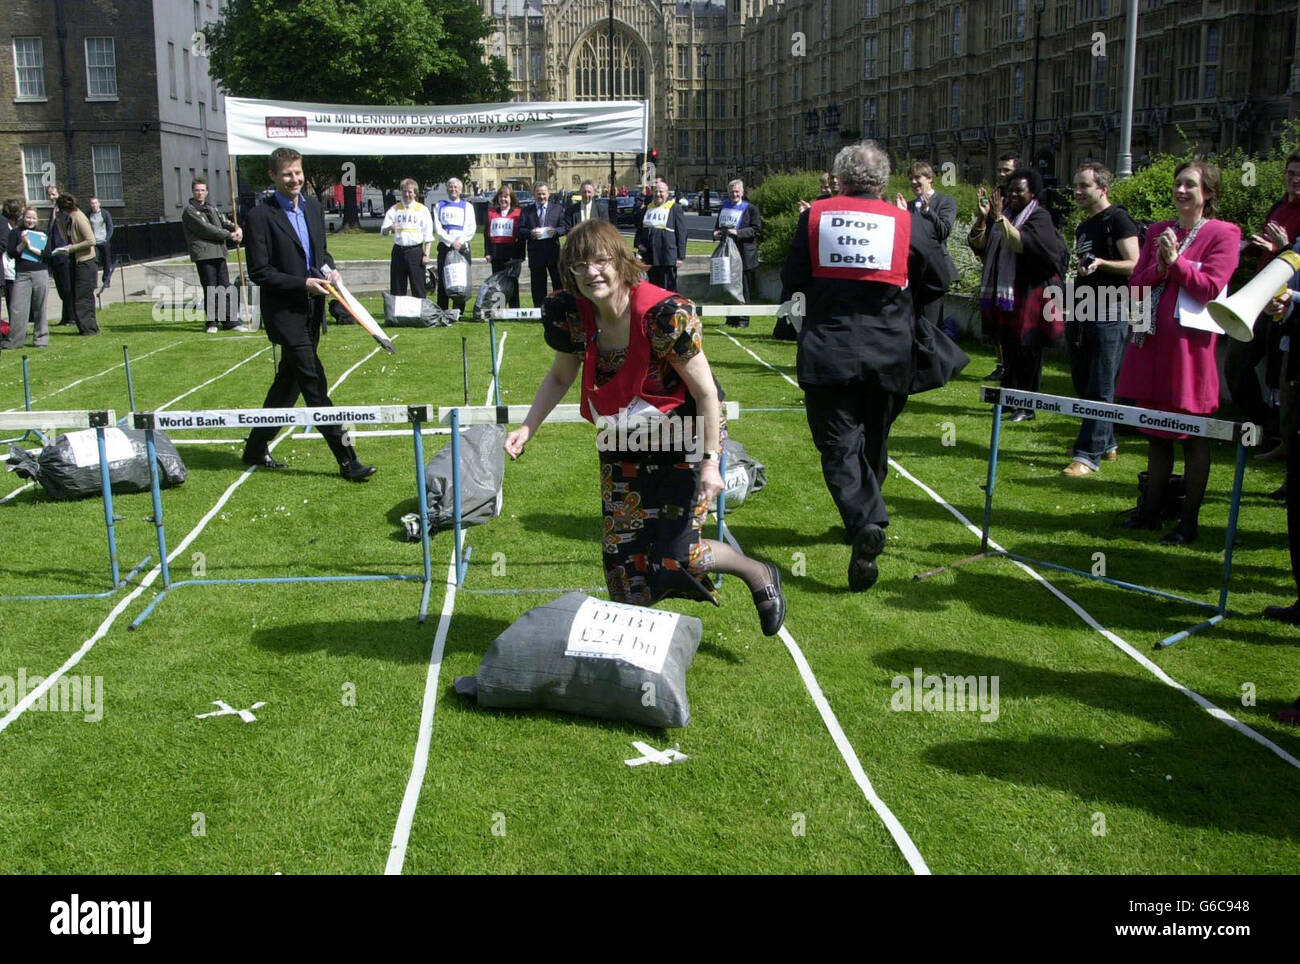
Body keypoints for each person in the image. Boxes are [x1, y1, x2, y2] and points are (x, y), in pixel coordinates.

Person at [504, 219, 785, 635]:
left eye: (600, 261)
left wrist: (711, 463)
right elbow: (562, 376)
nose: (591, 272)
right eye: (579, 265)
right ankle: (639, 644)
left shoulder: (665, 316)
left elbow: (708, 395)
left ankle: (757, 571)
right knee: (624, 556)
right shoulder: (570, 314)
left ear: (620, 262)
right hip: (623, 435)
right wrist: (528, 427)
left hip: (686, 433)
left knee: (679, 553)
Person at [781, 140, 952, 591]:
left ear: (839, 179)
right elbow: (942, 278)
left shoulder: (814, 218)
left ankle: (865, 521)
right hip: (890, 352)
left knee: (839, 445)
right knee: (873, 439)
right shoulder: (907, 222)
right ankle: (865, 518)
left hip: (830, 350)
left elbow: (792, 278)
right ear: (883, 181)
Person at [1116, 161, 1241, 545]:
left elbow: (1210, 286)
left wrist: (1178, 264)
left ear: (1209, 194)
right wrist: (1161, 265)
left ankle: (1188, 522)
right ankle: (1150, 512)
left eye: (1190, 185)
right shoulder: (1157, 230)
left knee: (1192, 435)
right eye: (1178, 184)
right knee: (1156, 434)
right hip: (1152, 345)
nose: (1181, 191)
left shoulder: (1224, 233)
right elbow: (1138, 281)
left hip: (1190, 353)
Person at [240, 147, 375, 481]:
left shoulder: (313, 208)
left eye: (297, 172)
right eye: (287, 174)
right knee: (314, 383)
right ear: (273, 176)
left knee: (287, 384)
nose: (295, 179)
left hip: (313, 312)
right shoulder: (259, 216)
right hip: (285, 314)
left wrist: (330, 271)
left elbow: (321, 252)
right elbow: (259, 271)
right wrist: (303, 284)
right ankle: (347, 460)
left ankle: (255, 447)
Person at [1059, 163, 1140, 477]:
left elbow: (1135, 264)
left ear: (1103, 188)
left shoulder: (1117, 219)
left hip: (1111, 308)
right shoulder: (1084, 226)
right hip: (1082, 307)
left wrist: (1103, 263)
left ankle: (1087, 455)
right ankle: (1105, 442)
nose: (1077, 192)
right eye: (1076, 186)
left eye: (1084, 186)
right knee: (1082, 379)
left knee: (1102, 383)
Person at [970, 168, 1068, 423]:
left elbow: (1022, 244)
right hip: (1009, 294)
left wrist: (1000, 218)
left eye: (1018, 190)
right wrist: (984, 218)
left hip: (1033, 293)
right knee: (1010, 347)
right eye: (1010, 189)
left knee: (1029, 350)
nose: (1012, 194)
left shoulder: (1039, 217)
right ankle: (1008, 400)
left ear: (1032, 192)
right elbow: (980, 247)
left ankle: (1027, 405)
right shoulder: (1007, 215)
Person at [1228, 150, 1300, 462]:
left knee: (1280, 374)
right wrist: (1257, 249)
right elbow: (1274, 251)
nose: (1295, 180)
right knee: (1237, 361)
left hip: (1287, 302)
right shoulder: (1280, 205)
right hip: (1260, 296)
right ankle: (1257, 423)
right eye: (1291, 174)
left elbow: (1294, 259)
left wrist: (1281, 248)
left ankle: (1277, 434)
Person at [896, 161, 959, 329]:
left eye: (917, 178)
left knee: (931, 328)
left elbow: (943, 232)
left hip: (933, 274)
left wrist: (928, 212)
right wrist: (902, 216)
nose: (913, 182)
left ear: (930, 178)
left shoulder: (945, 201)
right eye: (911, 178)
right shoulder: (908, 206)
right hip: (911, 273)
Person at [181, 176, 247, 333]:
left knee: (224, 286)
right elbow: (206, 229)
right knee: (211, 287)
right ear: (192, 191)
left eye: (202, 190)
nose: (200, 193)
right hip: (204, 254)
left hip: (219, 252)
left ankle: (230, 322)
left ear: (207, 192)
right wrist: (229, 235)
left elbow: (225, 221)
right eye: (197, 190)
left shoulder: (212, 208)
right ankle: (212, 322)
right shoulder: (190, 212)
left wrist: (237, 228)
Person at [712, 179, 762, 328]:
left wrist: (738, 232)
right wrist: (715, 233)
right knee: (728, 286)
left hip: (743, 254)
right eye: (732, 191)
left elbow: (756, 229)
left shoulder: (751, 209)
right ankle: (731, 318)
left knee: (743, 288)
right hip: (726, 253)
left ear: (742, 192)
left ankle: (743, 319)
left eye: (737, 191)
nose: (734, 194)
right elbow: (717, 226)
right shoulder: (724, 208)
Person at [2, 206, 49, 350]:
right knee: (17, 308)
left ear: (37, 219)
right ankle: (15, 340)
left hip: (40, 273)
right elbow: (11, 253)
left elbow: (47, 255)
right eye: (28, 217)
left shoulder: (42, 233)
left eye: (33, 218)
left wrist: (31, 246)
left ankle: (41, 339)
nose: (31, 220)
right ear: (23, 217)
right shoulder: (15, 233)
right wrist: (23, 243)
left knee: (40, 307)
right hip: (22, 275)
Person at [53, 194, 99, 336]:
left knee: (82, 296)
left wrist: (70, 248)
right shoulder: (69, 219)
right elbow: (64, 235)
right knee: (77, 295)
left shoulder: (79, 218)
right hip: (76, 261)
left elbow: (91, 240)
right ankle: (86, 328)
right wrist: (59, 220)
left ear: (64, 208)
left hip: (85, 262)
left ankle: (89, 329)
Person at [379, 178, 434, 299]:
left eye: (410, 192)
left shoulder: (422, 210)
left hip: (415, 252)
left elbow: (428, 235)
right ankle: (398, 314)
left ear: (415, 193)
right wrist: (389, 228)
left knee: (418, 286)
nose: (407, 194)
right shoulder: (394, 209)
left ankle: (420, 314)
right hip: (399, 251)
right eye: (404, 191)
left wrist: (427, 254)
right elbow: (383, 231)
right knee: (397, 287)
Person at [634, 178, 688, 292]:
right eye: (656, 191)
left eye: (661, 192)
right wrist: (638, 244)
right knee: (650, 289)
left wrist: (680, 256)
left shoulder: (675, 209)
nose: (658, 194)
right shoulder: (647, 209)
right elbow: (639, 231)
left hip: (667, 257)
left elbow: (682, 233)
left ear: (667, 193)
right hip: (649, 257)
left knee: (667, 289)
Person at [433, 178, 476, 311]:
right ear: (447, 189)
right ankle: (442, 310)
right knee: (444, 279)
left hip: (462, 248)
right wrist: (451, 242)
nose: (453, 189)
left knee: (460, 280)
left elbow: (471, 227)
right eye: (451, 187)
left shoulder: (467, 206)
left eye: (456, 187)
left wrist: (460, 242)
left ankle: (458, 311)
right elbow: (438, 228)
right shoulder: (439, 206)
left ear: (461, 189)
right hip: (446, 247)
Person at [520, 181, 565, 307]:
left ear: (548, 194)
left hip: (553, 252)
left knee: (558, 283)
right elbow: (520, 230)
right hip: (536, 253)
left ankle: (559, 308)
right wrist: (530, 233)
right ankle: (540, 310)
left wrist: (555, 231)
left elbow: (564, 228)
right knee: (538, 285)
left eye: (544, 194)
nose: (541, 197)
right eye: (538, 194)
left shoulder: (557, 209)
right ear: (534, 194)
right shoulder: (526, 211)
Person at [483, 185, 523, 309]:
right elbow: (486, 234)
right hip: (496, 253)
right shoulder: (491, 212)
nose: (503, 199)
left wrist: (521, 255)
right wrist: (487, 252)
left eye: (506, 196)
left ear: (511, 198)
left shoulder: (518, 212)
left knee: (512, 282)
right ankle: (499, 308)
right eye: (501, 196)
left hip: (513, 254)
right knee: (498, 282)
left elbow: (521, 234)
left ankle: (514, 308)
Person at [43, 184, 73, 326]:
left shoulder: (64, 213)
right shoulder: (53, 212)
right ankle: (65, 317)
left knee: (67, 288)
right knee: (61, 288)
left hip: (63, 255)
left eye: (53, 194)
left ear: (60, 194)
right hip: (54, 256)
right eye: (49, 195)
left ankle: (71, 317)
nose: (51, 197)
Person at [87, 196, 114, 293]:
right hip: (93, 243)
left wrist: (107, 239)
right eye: (92, 203)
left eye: (95, 203)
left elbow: (110, 226)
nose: (94, 205)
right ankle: (93, 282)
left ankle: (106, 280)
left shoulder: (105, 213)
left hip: (103, 242)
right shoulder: (88, 214)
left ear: (99, 204)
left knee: (107, 262)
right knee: (94, 262)